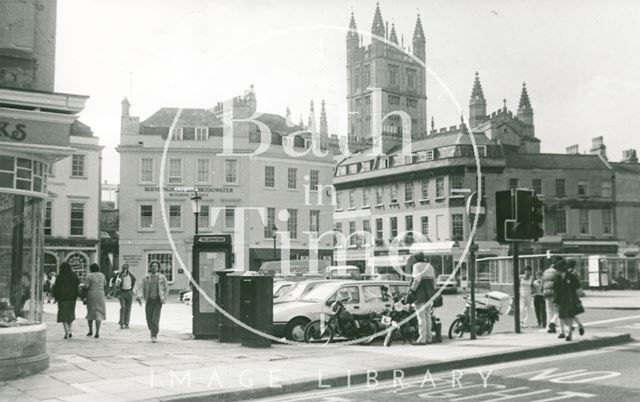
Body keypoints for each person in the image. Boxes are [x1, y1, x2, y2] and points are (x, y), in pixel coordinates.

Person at [135, 260, 169, 343]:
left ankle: (154, 334)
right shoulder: (146, 278)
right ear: (150, 267)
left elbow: (166, 288)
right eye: (153, 266)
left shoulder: (162, 278)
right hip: (149, 300)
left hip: (158, 301)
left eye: (156, 266)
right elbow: (140, 287)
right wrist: (139, 296)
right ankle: (152, 329)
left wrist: (164, 298)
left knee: (155, 318)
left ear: (158, 268)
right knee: (149, 318)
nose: (154, 267)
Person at [408, 252, 436, 345]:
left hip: (420, 293)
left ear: (416, 258)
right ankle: (429, 338)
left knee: (421, 317)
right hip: (429, 293)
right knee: (428, 316)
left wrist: (412, 289)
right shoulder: (430, 266)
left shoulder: (416, 266)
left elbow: (417, 279)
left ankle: (422, 339)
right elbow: (434, 281)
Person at [52, 262, 80, 339]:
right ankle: (70, 330)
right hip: (72, 298)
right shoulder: (74, 275)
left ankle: (66, 331)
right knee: (70, 314)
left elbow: (56, 288)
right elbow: (77, 284)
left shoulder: (60, 276)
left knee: (63, 315)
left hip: (62, 298)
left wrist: (55, 297)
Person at [554, 262, 581, 341]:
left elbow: (577, 285)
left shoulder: (570, 276)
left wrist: (570, 285)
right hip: (561, 300)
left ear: (561, 269)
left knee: (570, 317)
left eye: (557, 270)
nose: (556, 271)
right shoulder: (557, 277)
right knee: (561, 317)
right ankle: (563, 331)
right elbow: (555, 289)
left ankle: (569, 334)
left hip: (570, 299)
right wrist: (555, 301)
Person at [84, 263, 107, 338]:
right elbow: (105, 283)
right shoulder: (102, 275)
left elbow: (86, 286)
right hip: (100, 293)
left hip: (91, 293)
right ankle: (97, 332)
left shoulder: (89, 275)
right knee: (99, 312)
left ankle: (90, 330)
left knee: (91, 312)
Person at [542, 258, 564, 336]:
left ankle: (549, 327)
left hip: (546, 292)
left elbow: (542, 282)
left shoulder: (545, 271)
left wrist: (543, 291)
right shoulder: (557, 272)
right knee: (558, 310)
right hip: (554, 293)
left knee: (549, 311)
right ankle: (553, 323)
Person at [566, 260, 585, 336]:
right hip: (572, 296)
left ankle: (569, 332)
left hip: (570, 296)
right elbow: (578, 285)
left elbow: (577, 285)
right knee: (571, 314)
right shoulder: (575, 273)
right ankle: (579, 325)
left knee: (569, 314)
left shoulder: (571, 274)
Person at [115, 264, 136, 329]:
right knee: (123, 307)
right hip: (122, 292)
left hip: (129, 292)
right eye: (124, 267)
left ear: (128, 268)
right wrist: (121, 278)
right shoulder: (119, 275)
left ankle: (127, 323)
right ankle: (122, 323)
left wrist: (133, 291)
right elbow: (116, 284)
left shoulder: (131, 276)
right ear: (122, 268)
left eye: (126, 267)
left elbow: (134, 282)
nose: (125, 269)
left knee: (128, 308)